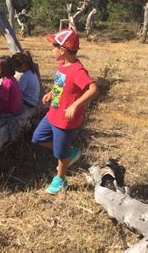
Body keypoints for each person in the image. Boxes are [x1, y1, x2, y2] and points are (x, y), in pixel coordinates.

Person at [31, 29, 98, 194]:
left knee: (61, 154)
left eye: (54, 46)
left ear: (63, 50)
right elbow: (60, 85)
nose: (51, 49)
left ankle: (60, 179)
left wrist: (75, 105)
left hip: (65, 121)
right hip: (53, 113)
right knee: (38, 137)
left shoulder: (77, 70)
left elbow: (93, 89)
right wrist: (50, 93)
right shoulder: (62, 65)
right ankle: (69, 152)